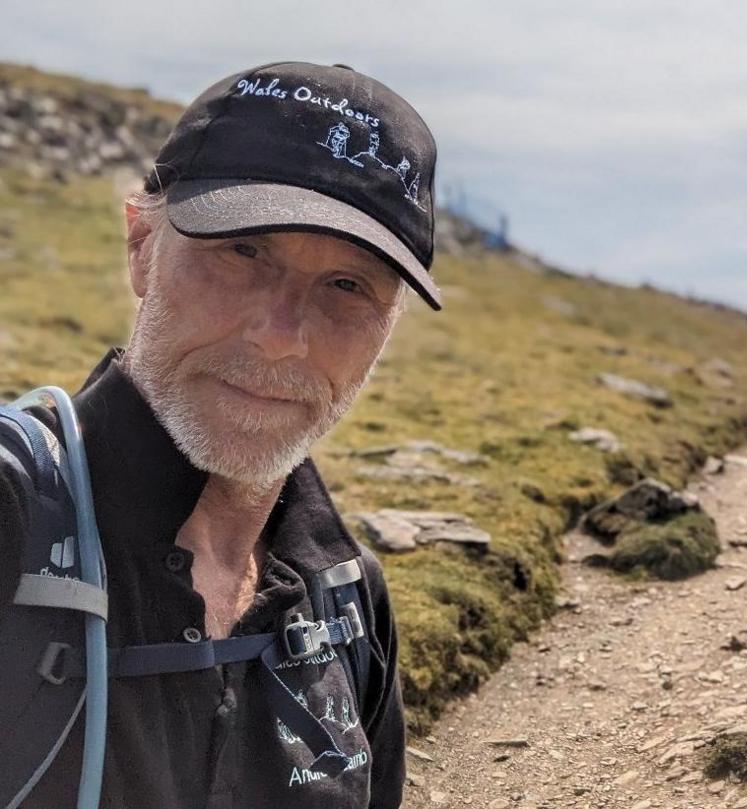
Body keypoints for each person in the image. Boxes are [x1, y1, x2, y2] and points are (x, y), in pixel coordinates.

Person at [0, 61, 445, 808]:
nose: (281, 336)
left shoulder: (347, 597)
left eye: (347, 286)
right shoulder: (15, 515)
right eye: (243, 251)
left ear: (387, 325)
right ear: (140, 244)